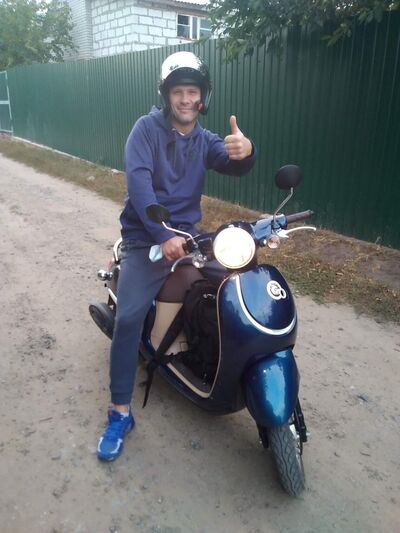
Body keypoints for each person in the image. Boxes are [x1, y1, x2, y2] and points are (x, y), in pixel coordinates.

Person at [97, 51, 257, 461]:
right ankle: (119, 412)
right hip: (146, 238)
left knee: (237, 285)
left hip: (191, 236)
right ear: (166, 95)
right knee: (129, 318)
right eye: (178, 92)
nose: (186, 99)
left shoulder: (205, 140)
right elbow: (139, 186)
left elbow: (233, 163)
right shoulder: (145, 130)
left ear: (203, 97)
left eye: (193, 92)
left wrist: (246, 151)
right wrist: (161, 234)